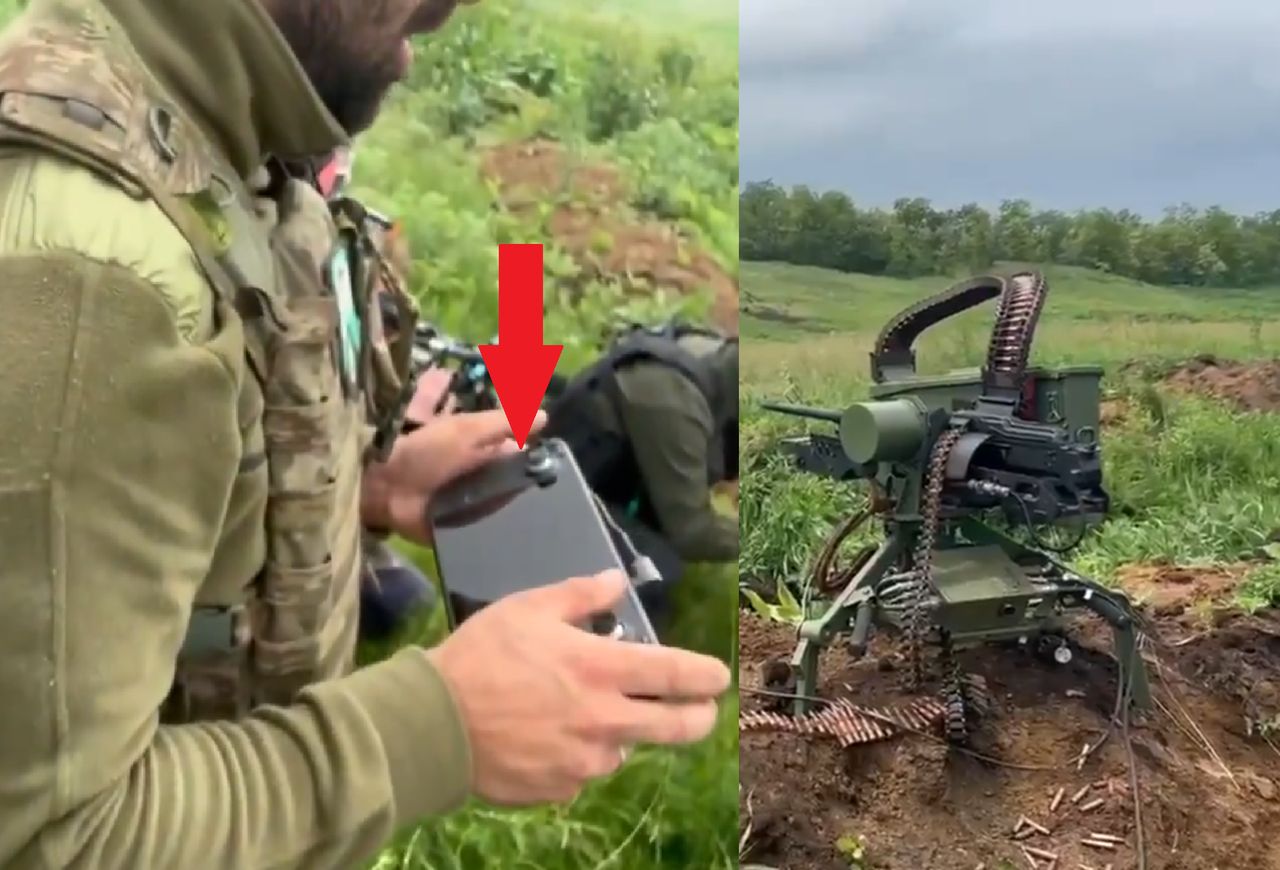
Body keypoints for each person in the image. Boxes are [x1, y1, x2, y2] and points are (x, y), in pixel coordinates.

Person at [0, 1, 732, 868]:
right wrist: (440, 726)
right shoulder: (96, 277)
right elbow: (54, 838)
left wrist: (366, 487)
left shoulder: (218, 145)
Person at [540, 321, 740, 630]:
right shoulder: (677, 400)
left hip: (599, 474)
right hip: (555, 491)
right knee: (651, 574)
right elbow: (693, 533)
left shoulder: (709, 356)